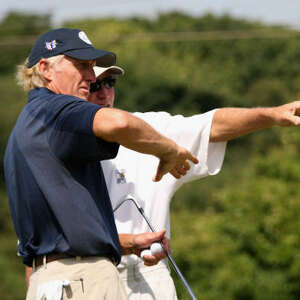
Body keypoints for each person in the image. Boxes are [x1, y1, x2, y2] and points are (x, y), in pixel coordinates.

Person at [4, 28, 199, 300]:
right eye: (81, 65)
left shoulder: (33, 121)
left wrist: (129, 244)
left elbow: (64, 231)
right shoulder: (55, 109)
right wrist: (168, 150)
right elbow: (118, 122)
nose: (91, 75)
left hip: (58, 279)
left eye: (92, 67)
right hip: (80, 279)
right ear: (46, 69)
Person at [88, 64, 300, 299]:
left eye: (110, 83)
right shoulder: (49, 143)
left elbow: (210, 125)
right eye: (95, 85)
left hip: (148, 278)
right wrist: (127, 242)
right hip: (85, 276)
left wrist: (269, 115)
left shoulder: (145, 130)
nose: (104, 93)